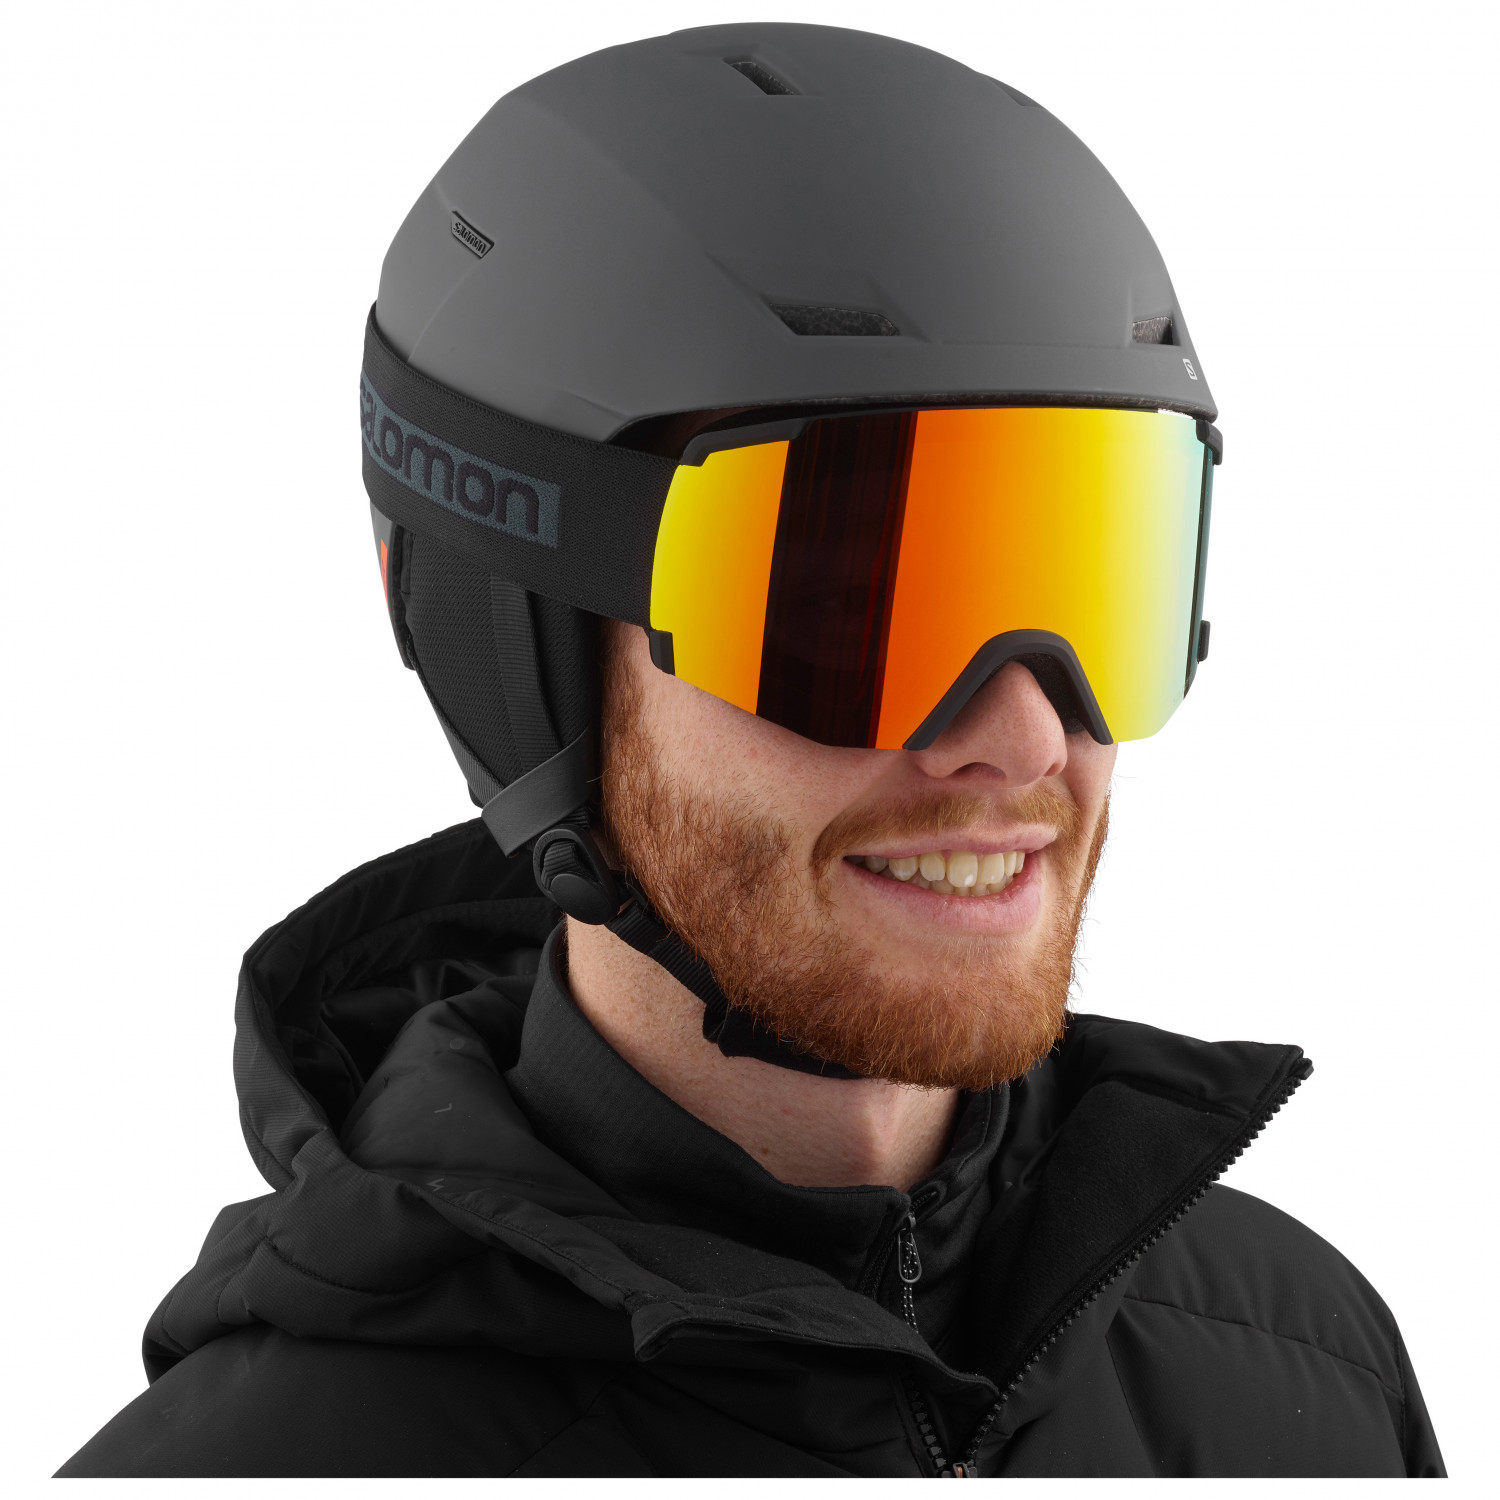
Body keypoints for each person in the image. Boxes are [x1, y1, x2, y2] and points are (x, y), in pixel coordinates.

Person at [59, 22, 1444, 1478]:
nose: (1027, 733)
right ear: (510, 650)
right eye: (846, 608)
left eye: (1100, 579)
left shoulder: (1306, 1372)